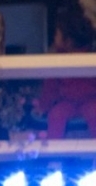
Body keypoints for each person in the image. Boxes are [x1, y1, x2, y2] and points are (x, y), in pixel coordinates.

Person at [37, 8, 96, 139]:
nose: (54, 37)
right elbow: (51, 86)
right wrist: (44, 105)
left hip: (91, 101)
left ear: (68, 40)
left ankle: (56, 152)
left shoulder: (91, 58)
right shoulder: (57, 59)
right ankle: (54, 151)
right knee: (56, 115)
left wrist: (43, 106)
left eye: (57, 34)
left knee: (94, 114)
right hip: (67, 102)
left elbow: (50, 86)